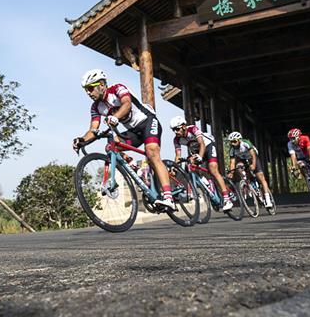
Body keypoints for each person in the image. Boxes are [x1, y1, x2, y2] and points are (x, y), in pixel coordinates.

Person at [73, 69, 174, 210]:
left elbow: (126, 104)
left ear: (101, 84)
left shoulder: (117, 89)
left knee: (152, 152)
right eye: (86, 90)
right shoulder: (96, 107)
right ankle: (137, 169)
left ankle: (169, 197)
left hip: (147, 122)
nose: (89, 93)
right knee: (111, 147)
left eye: (90, 88)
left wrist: (116, 117)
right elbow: (93, 130)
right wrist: (81, 140)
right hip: (133, 131)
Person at [170, 116, 234, 212]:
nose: (175, 132)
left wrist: (200, 156)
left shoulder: (192, 129)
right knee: (191, 165)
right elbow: (178, 156)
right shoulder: (176, 139)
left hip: (207, 146)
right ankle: (207, 183)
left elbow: (202, 144)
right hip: (195, 149)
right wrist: (174, 168)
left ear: (183, 126)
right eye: (173, 130)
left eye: (176, 129)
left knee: (213, 169)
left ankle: (227, 199)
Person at [226, 131, 274, 210]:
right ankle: (247, 182)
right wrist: (231, 172)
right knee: (238, 167)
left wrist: (254, 165)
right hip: (243, 159)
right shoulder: (232, 150)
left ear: (239, 140)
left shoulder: (245, 143)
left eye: (234, 141)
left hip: (253, 158)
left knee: (260, 177)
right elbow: (232, 162)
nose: (233, 144)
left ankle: (268, 199)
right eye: (231, 142)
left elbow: (253, 155)